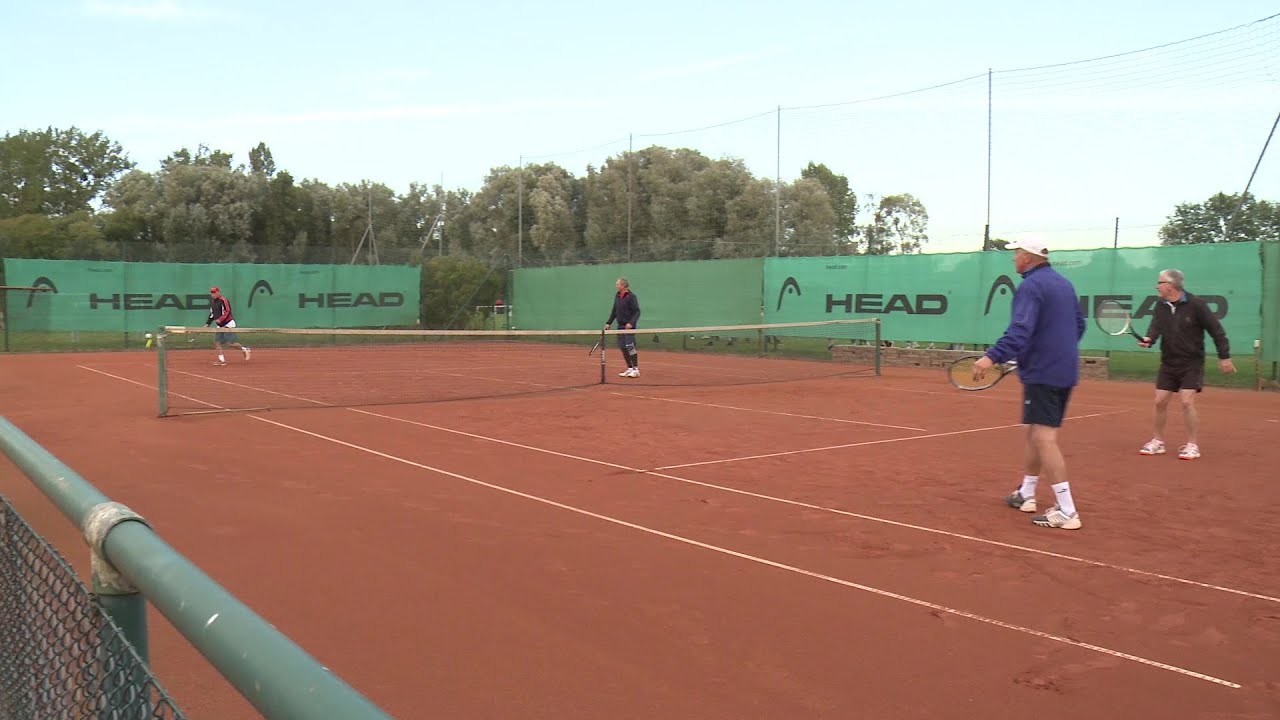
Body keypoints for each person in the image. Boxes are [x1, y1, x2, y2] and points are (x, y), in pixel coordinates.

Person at [972, 237, 1086, 530]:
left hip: (1044, 373)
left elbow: (1020, 330)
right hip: (1062, 370)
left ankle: (1067, 510)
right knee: (1034, 431)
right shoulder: (1064, 284)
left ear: (1028, 257)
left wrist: (990, 357)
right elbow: (1078, 325)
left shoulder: (1031, 286)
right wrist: (1049, 352)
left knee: (1044, 438)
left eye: (1016, 254)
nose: (1013, 258)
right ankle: (1027, 493)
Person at [1136, 268, 1235, 460]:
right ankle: (1158, 441)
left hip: (1191, 362)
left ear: (1171, 285)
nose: (1157, 286)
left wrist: (1224, 357)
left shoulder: (1196, 304)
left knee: (1186, 401)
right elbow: (1156, 326)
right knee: (1159, 401)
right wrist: (1149, 339)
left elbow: (1217, 331)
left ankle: (1192, 445)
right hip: (1168, 362)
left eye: (1160, 282)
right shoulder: (1160, 305)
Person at [206, 286, 251, 366]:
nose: (213, 294)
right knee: (217, 342)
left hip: (228, 323)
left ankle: (245, 349)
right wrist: (207, 323)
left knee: (230, 343)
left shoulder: (223, 300)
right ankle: (222, 360)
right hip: (220, 326)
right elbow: (212, 314)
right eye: (212, 293)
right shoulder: (212, 303)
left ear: (218, 292)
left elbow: (228, 311)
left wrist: (220, 319)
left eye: (214, 292)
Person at [604, 277, 640, 378]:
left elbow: (637, 311)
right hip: (620, 327)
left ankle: (636, 370)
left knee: (630, 346)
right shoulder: (617, 296)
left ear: (623, 285)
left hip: (629, 327)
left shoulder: (631, 297)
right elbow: (614, 311)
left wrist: (631, 323)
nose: (616, 286)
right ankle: (630, 368)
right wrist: (609, 323)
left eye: (617, 284)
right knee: (623, 347)